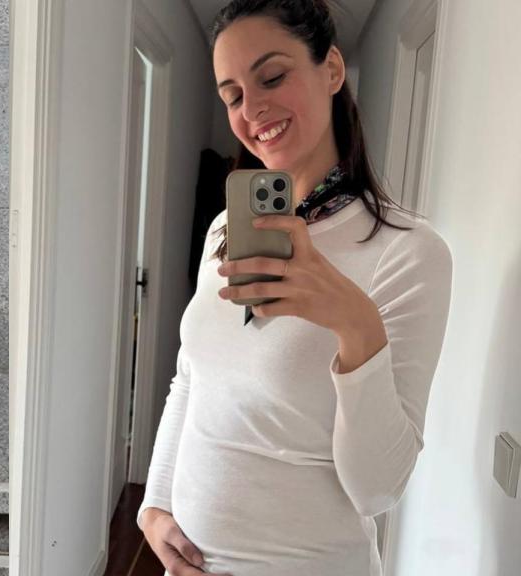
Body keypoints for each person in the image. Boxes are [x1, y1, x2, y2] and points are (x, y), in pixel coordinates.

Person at [137, 1, 452, 575]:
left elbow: (377, 492)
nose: (251, 108)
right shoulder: (225, 230)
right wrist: (154, 507)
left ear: (332, 69)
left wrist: (356, 324)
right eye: (231, 94)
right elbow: (191, 379)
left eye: (272, 76)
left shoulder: (408, 253)